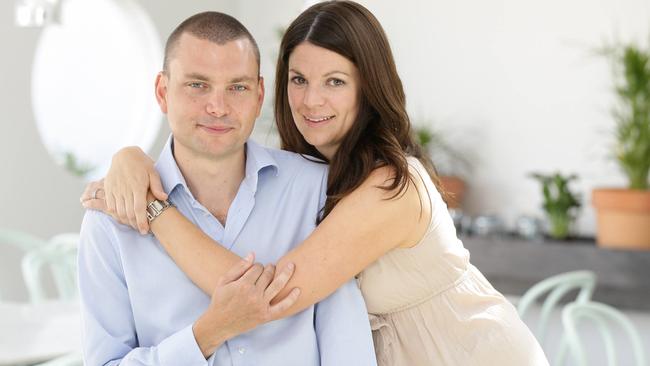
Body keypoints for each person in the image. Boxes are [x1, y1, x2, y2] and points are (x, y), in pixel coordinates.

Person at [83, 1, 550, 365]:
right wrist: (129, 157)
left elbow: (265, 295)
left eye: (335, 82)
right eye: (300, 79)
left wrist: (153, 209)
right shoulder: (321, 179)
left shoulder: (391, 185)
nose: (311, 100)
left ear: (368, 86)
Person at [77, 11, 377, 366]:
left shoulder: (315, 189)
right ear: (162, 92)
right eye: (197, 85)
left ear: (259, 94)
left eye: (237, 87)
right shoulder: (110, 223)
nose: (218, 107)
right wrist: (206, 334)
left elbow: (348, 350)